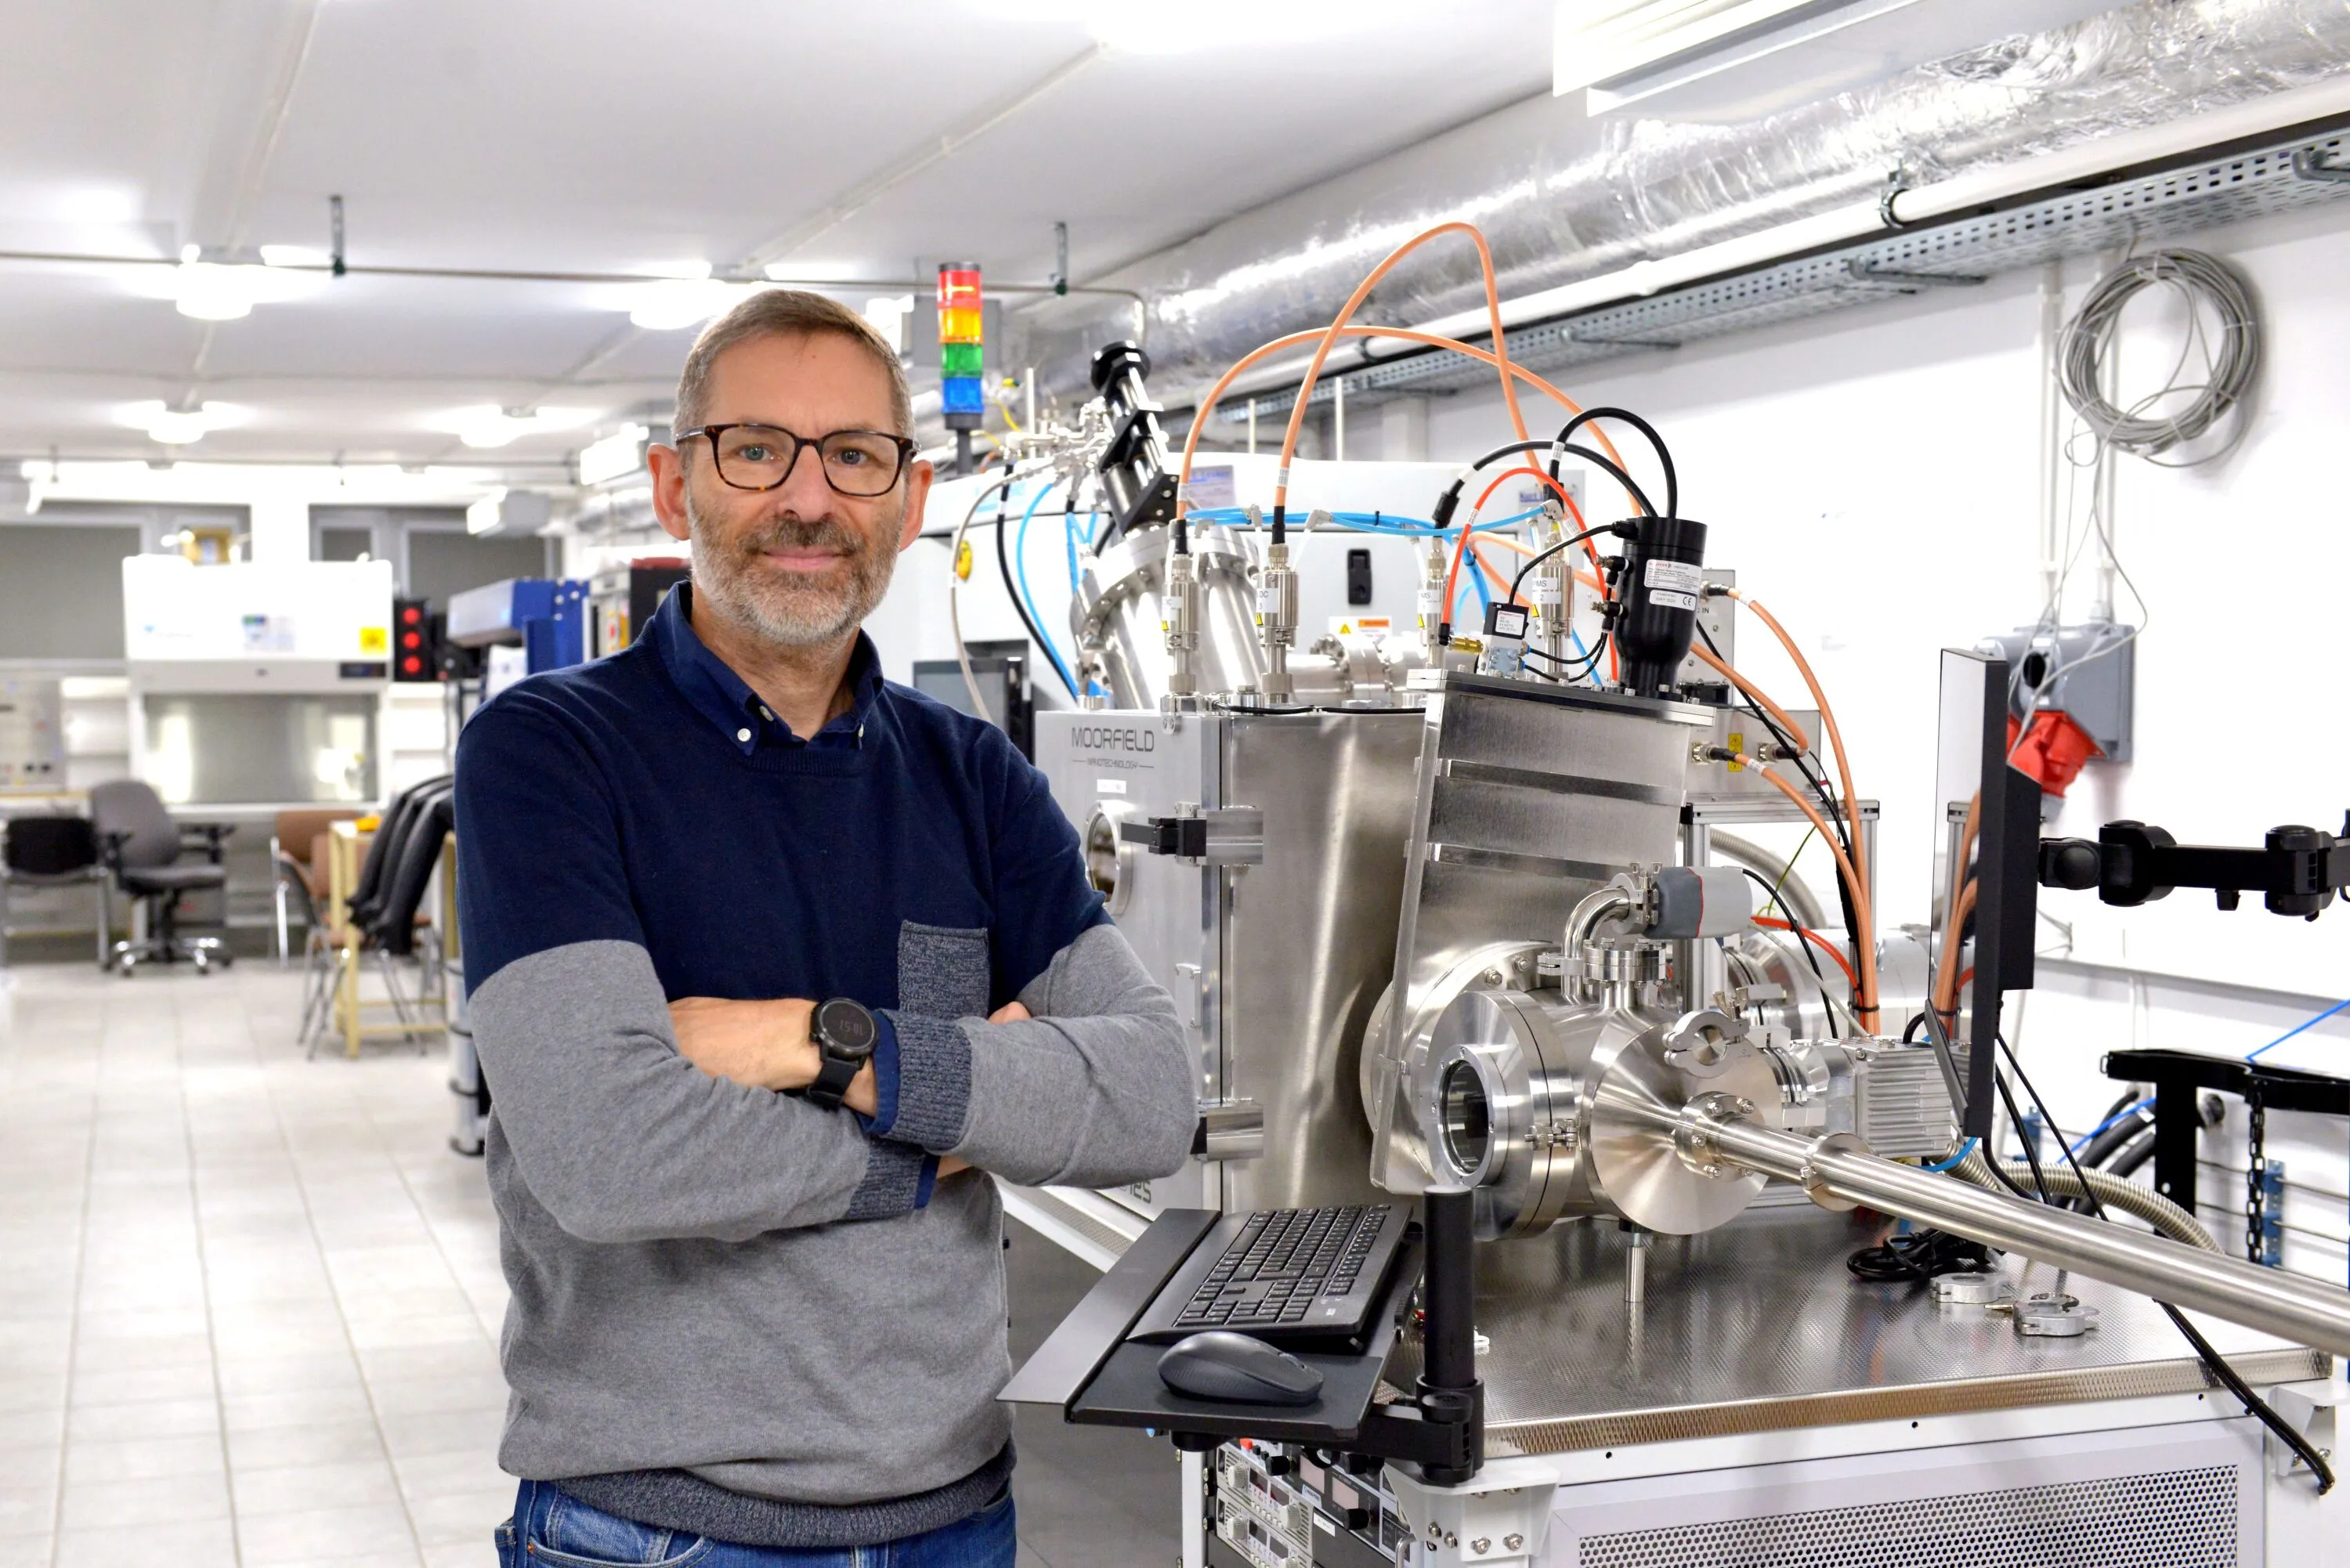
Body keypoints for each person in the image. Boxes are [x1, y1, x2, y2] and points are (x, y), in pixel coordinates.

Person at [455, 288, 1195, 1567]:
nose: (809, 499)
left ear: (908, 500)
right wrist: (949, 1127)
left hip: (955, 1515)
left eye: (855, 455)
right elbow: (609, 1152)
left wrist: (827, 1043)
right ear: (673, 485)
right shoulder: (550, 752)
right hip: (654, 1529)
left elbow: (1151, 1095)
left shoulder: (973, 777)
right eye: (757, 449)